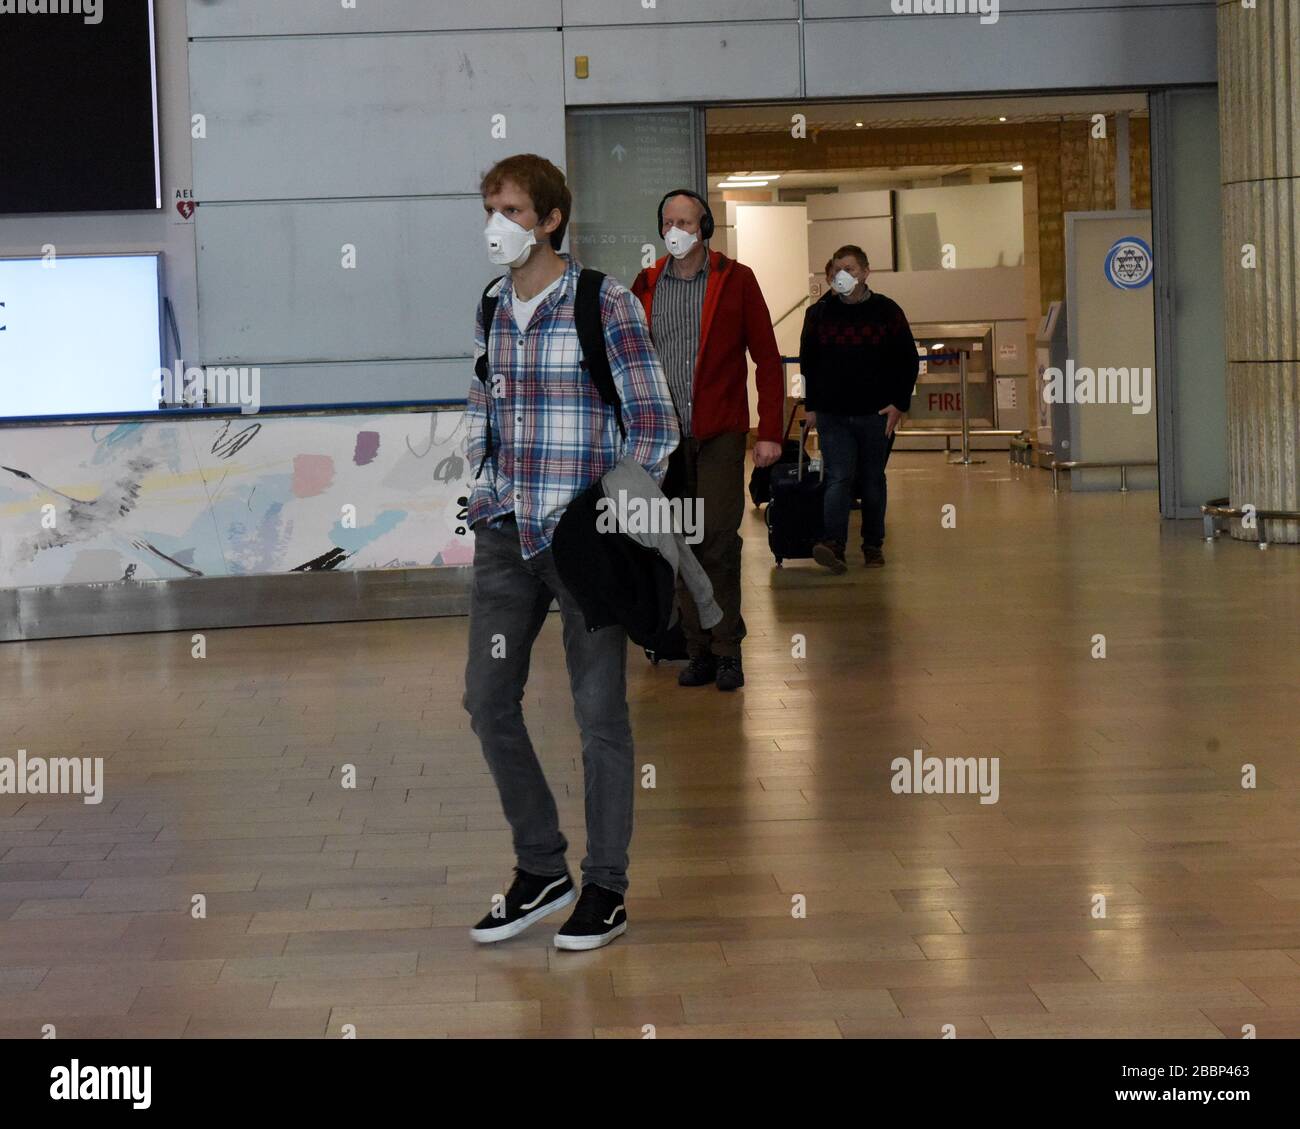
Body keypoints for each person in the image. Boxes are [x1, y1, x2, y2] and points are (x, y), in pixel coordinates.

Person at [463, 154, 679, 951]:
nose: (497, 224)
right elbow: (486, 401)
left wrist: (604, 511)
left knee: (598, 715)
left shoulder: (605, 302)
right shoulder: (492, 304)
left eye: (514, 209)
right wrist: (480, 483)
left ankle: (607, 885)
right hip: (504, 532)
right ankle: (540, 867)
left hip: (582, 542)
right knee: (487, 699)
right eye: (491, 207)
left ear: (551, 219)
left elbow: (655, 424)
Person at [631, 189, 784, 691]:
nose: (677, 230)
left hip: (719, 435)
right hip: (666, 442)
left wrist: (770, 431)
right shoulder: (646, 285)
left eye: (687, 222)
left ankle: (727, 650)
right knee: (680, 545)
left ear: (706, 229)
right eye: (669, 221)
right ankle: (695, 649)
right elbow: (628, 363)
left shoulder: (735, 281)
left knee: (718, 539)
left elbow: (766, 357)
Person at [799, 244, 919, 573]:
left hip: (876, 414)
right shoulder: (818, 315)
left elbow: (907, 360)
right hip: (833, 414)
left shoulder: (887, 312)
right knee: (838, 477)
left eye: (850, 269)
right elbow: (809, 363)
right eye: (837, 269)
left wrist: (899, 403)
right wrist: (811, 407)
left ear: (866, 273)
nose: (843, 275)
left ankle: (872, 544)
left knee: (872, 480)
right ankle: (833, 544)